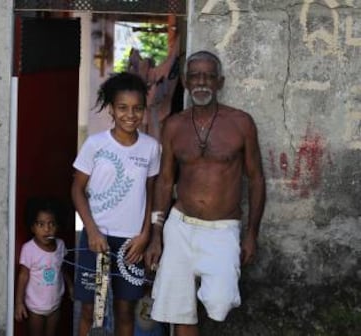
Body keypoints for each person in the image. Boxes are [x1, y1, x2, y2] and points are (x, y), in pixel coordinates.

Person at [145, 50, 266, 336]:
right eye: (195, 76)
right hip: (180, 226)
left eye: (209, 77)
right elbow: (164, 182)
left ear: (219, 82)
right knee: (178, 308)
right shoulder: (173, 126)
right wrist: (155, 236)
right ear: (186, 82)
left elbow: (257, 179)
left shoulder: (241, 123)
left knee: (219, 301)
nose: (202, 83)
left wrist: (251, 233)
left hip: (222, 228)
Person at [71, 72, 161, 336]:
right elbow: (77, 190)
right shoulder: (95, 145)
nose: (130, 115)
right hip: (95, 240)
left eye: (137, 108)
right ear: (111, 109)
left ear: (144, 110)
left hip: (131, 244)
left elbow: (151, 194)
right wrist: (92, 231)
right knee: (91, 310)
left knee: (125, 310)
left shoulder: (151, 148)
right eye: (122, 108)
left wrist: (145, 235)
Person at [15, 196, 73, 336]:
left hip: (55, 304)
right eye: (41, 224)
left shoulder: (60, 245)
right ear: (33, 227)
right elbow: (23, 276)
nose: (47, 229)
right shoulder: (29, 249)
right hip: (36, 308)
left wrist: (71, 286)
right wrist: (19, 303)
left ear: (57, 226)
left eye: (51, 224)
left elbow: (61, 268)